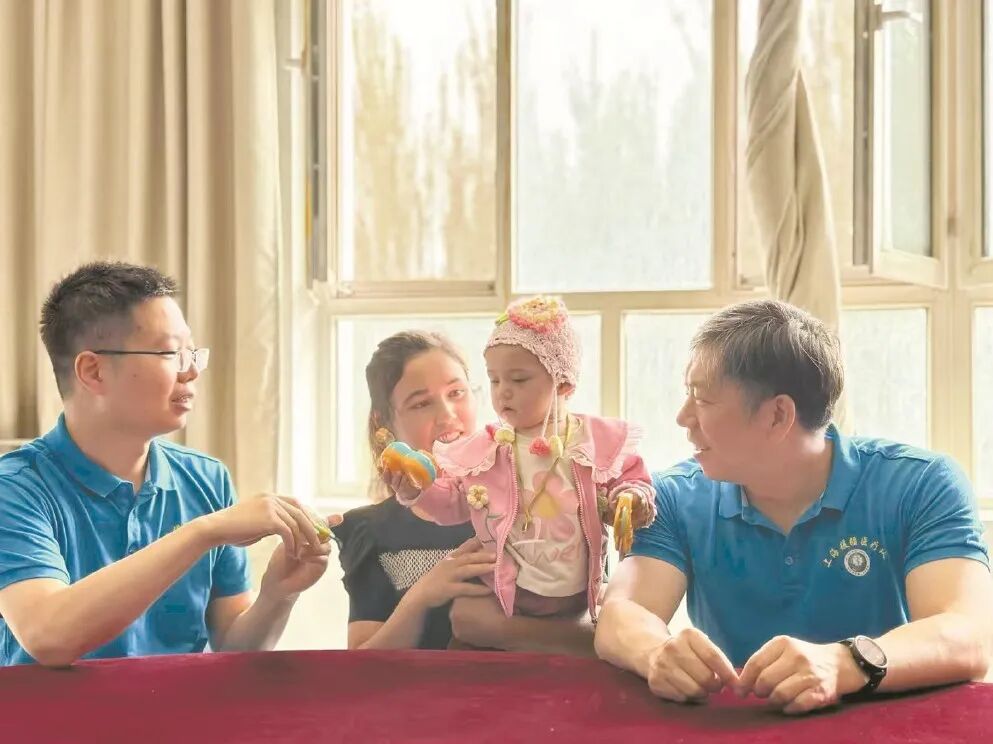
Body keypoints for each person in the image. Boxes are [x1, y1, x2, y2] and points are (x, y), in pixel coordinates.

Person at [594, 299, 993, 714]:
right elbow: (622, 613)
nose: (682, 417)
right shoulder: (672, 496)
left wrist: (843, 663)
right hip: (742, 728)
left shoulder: (923, 483)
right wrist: (655, 653)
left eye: (702, 399)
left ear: (777, 414)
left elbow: (968, 634)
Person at [0, 261, 334, 666]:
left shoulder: (206, 479)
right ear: (93, 371)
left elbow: (234, 645)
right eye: (171, 353)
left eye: (192, 353)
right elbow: (47, 635)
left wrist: (278, 594)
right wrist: (202, 532)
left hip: (179, 709)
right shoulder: (15, 488)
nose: (191, 371)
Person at [386, 297, 656, 650]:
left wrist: (630, 498)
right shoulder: (488, 447)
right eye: (494, 380)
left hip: (576, 597)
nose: (503, 392)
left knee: (615, 625)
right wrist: (418, 490)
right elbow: (453, 502)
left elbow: (631, 479)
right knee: (467, 622)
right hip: (508, 596)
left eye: (518, 379)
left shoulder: (594, 439)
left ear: (563, 384)